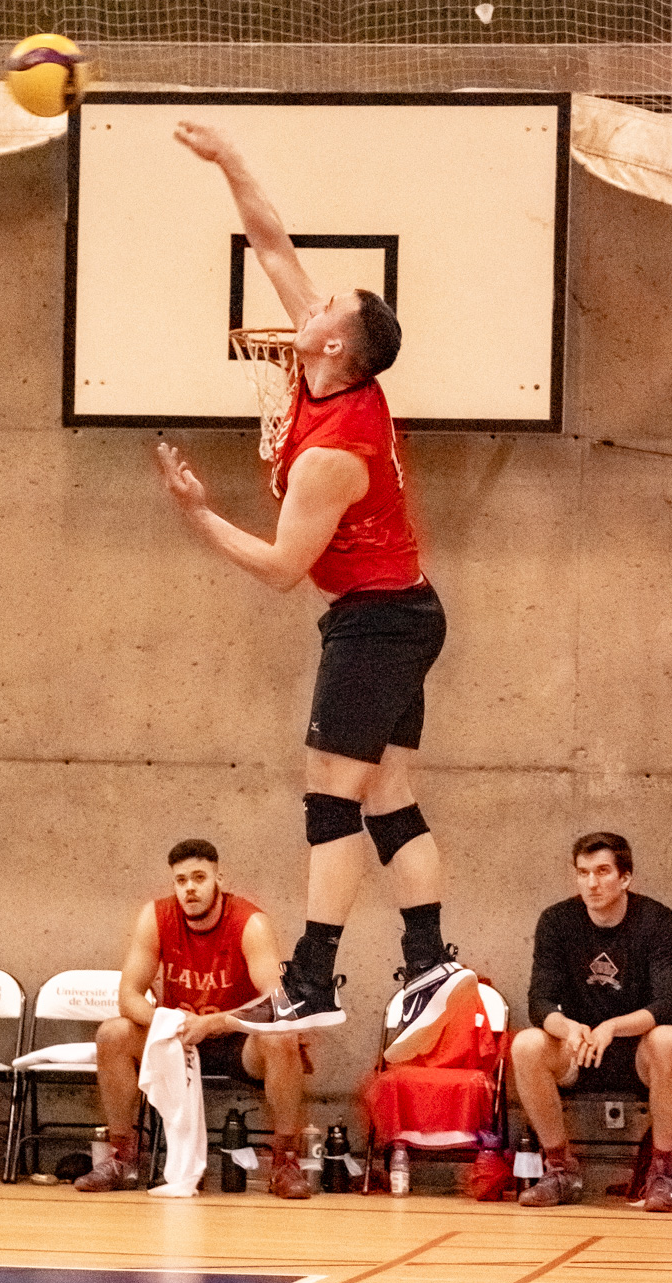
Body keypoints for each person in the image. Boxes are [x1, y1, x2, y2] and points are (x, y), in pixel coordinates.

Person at [155, 121, 474, 1057]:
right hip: (401, 615)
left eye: (331, 302)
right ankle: (427, 958)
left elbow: (283, 570)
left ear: (341, 345)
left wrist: (198, 517)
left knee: (330, 799)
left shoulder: (334, 454)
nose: (315, 298)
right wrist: (230, 162)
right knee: (387, 800)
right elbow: (272, 243)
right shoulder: (318, 365)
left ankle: (309, 979)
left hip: (378, 626)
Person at [74, 838, 312, 1199]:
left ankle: (285, 1160)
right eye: (181, 880)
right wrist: (164, 1020)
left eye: (199, 877)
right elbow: (128, 996)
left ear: (219, 878)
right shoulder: (156, 917)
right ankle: (123, 1156)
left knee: (282, 1037)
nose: (190, 888)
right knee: (112, 1033)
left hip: (237, 1037)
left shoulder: (251, 923)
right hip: (179, 1037)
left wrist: (215, 1023)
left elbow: (276, 1002)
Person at [511, 832, 672, 1211]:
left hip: (638, 1051)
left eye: (603, 871)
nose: (591, 883)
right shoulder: (557, 921)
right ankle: (559, 1169)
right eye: (583, 872)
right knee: (526, 1044)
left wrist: (613, 1026)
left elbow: (670, 1004)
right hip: (578, 1051)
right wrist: (569, 1028)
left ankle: (663, 1175)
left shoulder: (656, 920)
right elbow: (539, 1001)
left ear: (625, 877)